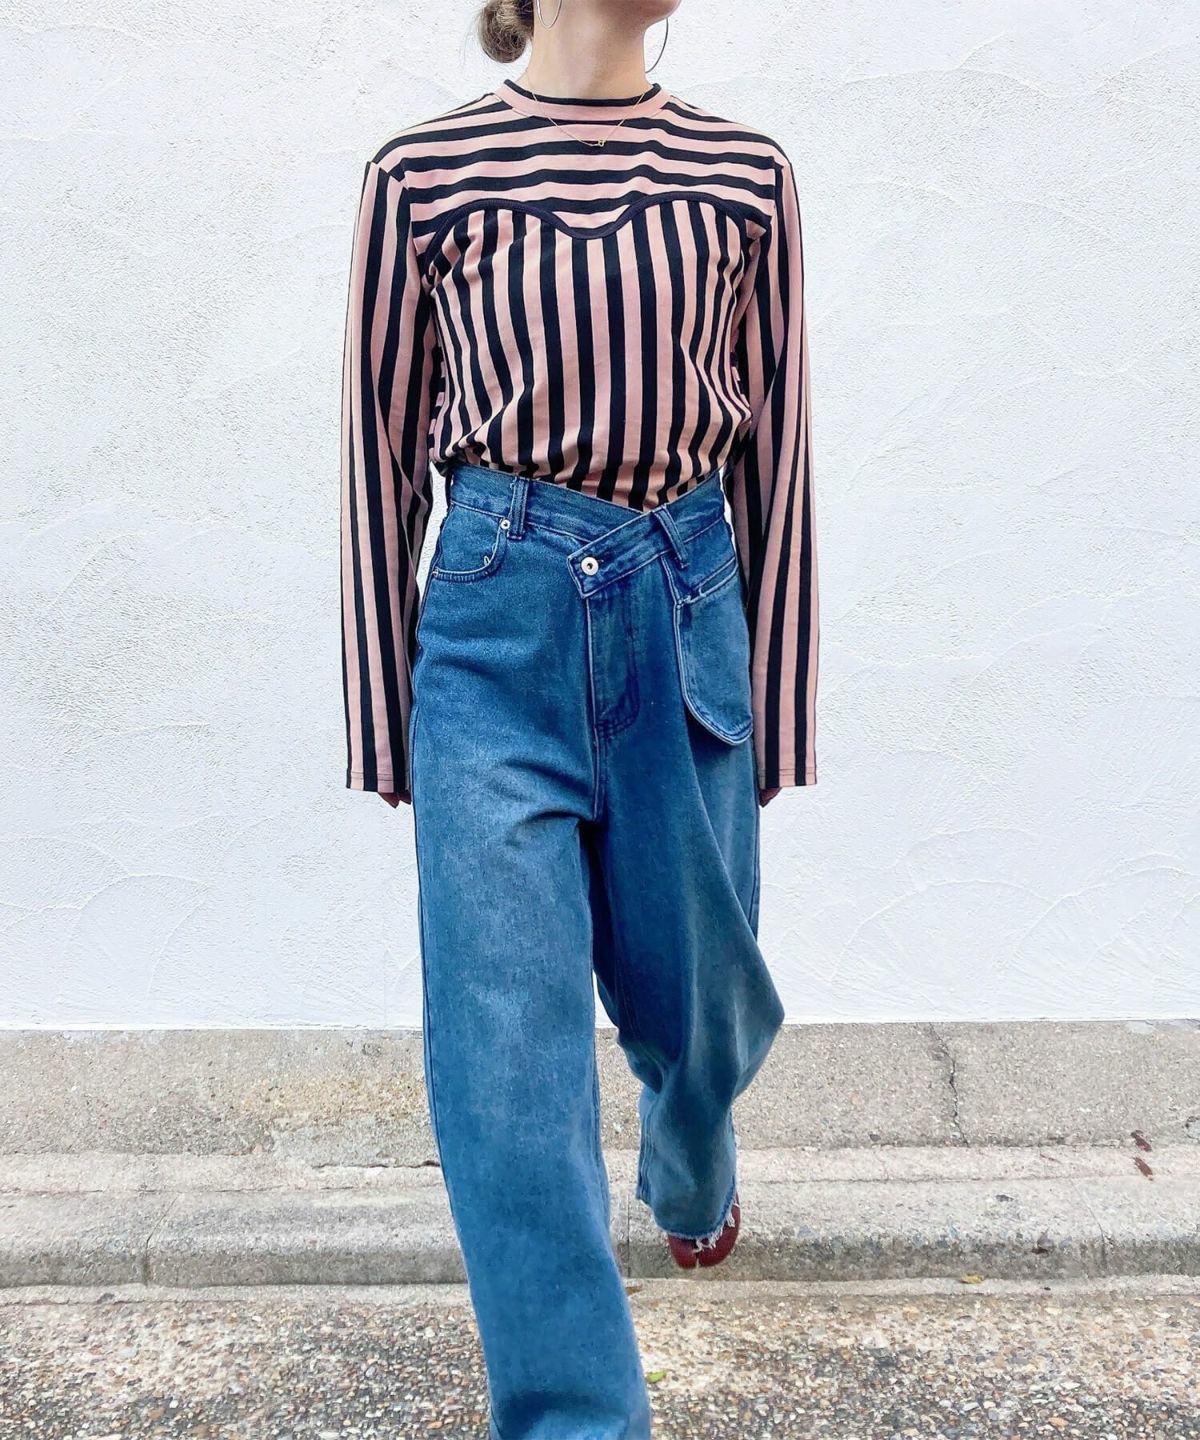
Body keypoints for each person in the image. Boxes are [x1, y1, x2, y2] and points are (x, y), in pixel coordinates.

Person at [339, 0, 818, 1433]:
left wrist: (780, 704)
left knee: (700, 1002)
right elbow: (378, 452)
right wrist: (384, 713)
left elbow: (780, 452)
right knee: (504, 1062)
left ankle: (691, 1148)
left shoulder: (746, 175)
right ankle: (575, 1415)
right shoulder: (421, 177)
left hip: (685, 603)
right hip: (495, 629)